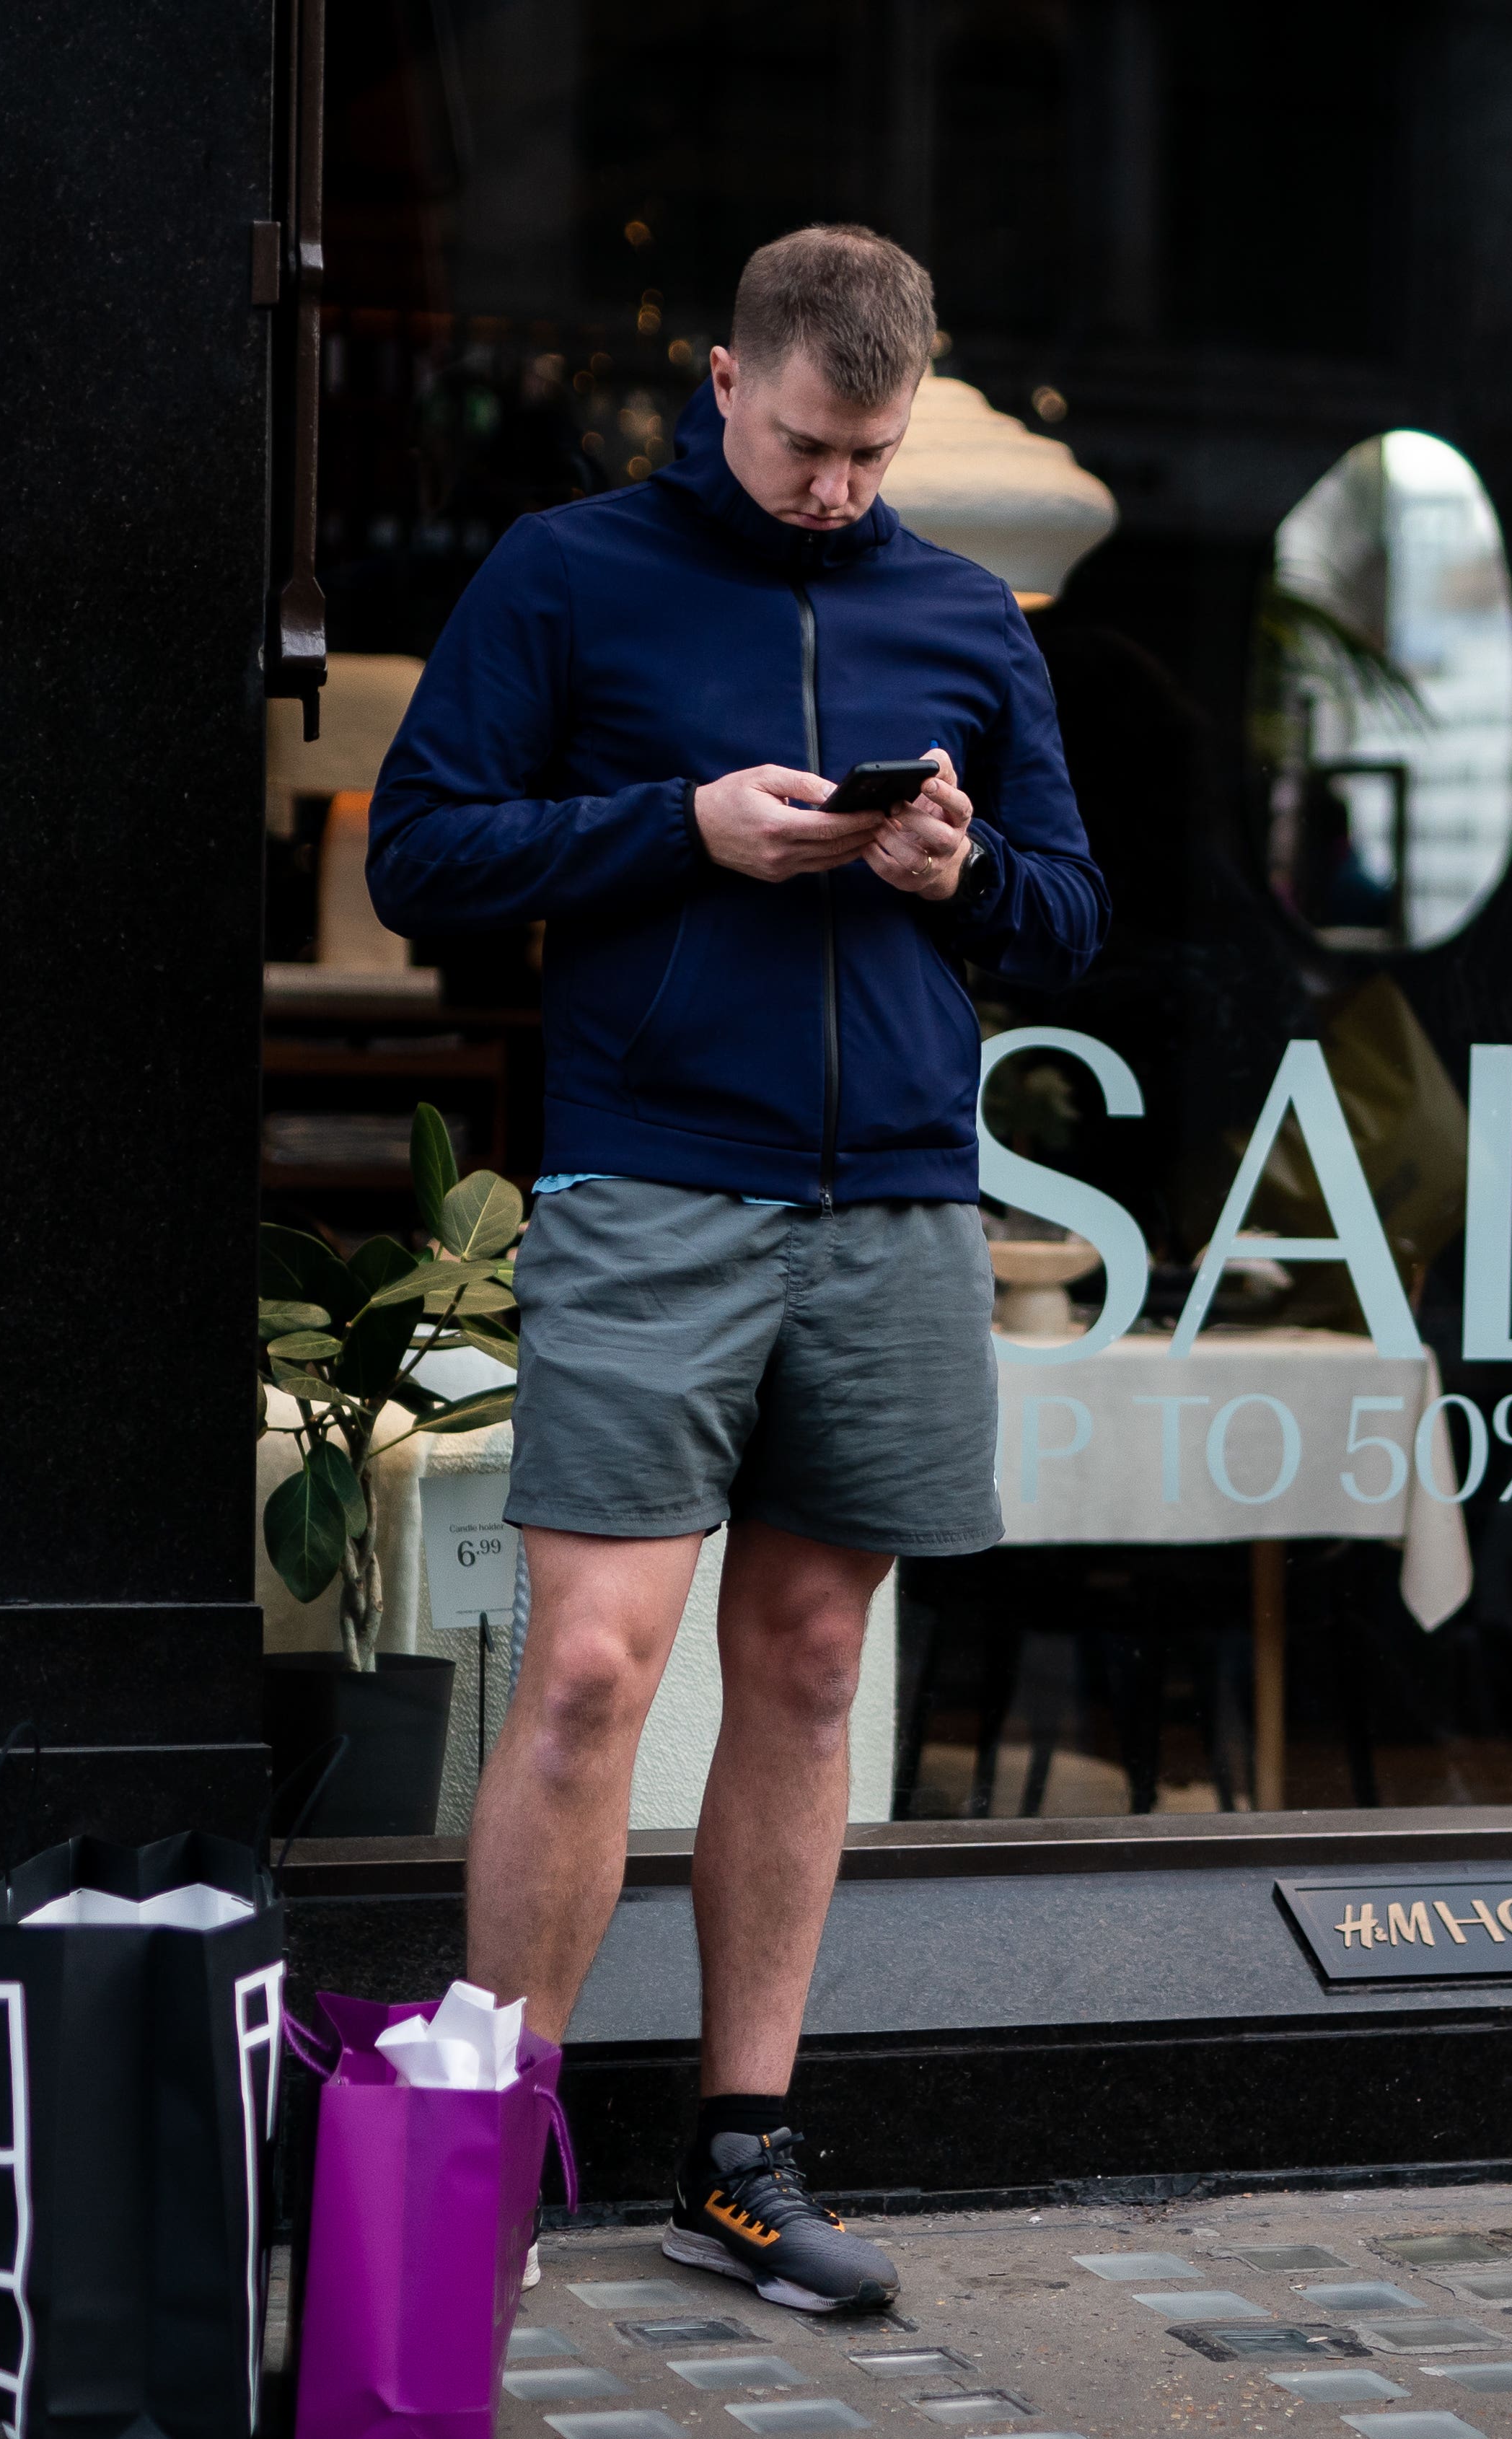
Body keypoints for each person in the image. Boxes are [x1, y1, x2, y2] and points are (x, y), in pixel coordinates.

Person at [366, 225, 1104, 2315]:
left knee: (806, 1666)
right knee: (594, 1668)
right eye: (805, 445)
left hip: (893, 1198)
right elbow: (422, 852)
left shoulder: (969, 614)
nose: (838, 492)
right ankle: (478, 2154)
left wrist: (959, 874)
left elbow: (1068, 914)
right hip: (653, 1176)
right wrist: (676, 828)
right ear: (721, 380)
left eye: (871, 456)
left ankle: (739, 2162)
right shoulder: (568, 572)